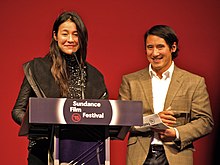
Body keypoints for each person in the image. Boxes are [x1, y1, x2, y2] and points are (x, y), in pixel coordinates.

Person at [12, 11, 108, 165]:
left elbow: (104, 113)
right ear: (55, 36)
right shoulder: (36, 68)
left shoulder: (95, 75)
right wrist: (37, 124)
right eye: (65, 34)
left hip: (84, 150)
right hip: (43, 150)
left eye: (76, 34)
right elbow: (17, 110)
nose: (71, 39)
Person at [118, 25, 214, 165]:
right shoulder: (130, 81)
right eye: (150, 47)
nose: (154, 53)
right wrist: (152, 120)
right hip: (139, 157)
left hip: (177, 155)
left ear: (173, 47)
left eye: (160, 47)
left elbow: (205, 121)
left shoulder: (194, 82)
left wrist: (176, 133)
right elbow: (121, 121)